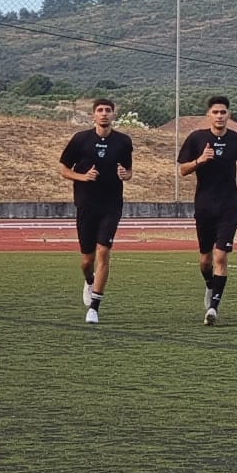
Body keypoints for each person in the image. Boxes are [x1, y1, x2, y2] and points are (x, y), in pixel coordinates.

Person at [178, 96, 237, 326]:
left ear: (228, 114)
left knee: (221, 256)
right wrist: (200, 160)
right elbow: (183, 170)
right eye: (215, 112)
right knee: (205, 260)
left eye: (223, 112)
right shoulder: (197, 138)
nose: (220, 116)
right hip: (204, 206)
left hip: (229, 206)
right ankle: (210, 285)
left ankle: (213, 308)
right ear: (209, 115)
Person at [59, 97, 134, 324]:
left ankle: (94, 307)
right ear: (93, 115)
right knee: (86, 260)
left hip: (111, 205)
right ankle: (88, 280)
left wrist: (125, 175)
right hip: (86, 204)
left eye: (108, 110)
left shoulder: (123, 141)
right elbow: (63, 168)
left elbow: (128, 170)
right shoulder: (81, 139)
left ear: (113, 115)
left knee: (103, 253)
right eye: (100, 110)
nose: (104, 114)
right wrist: (83, 177)